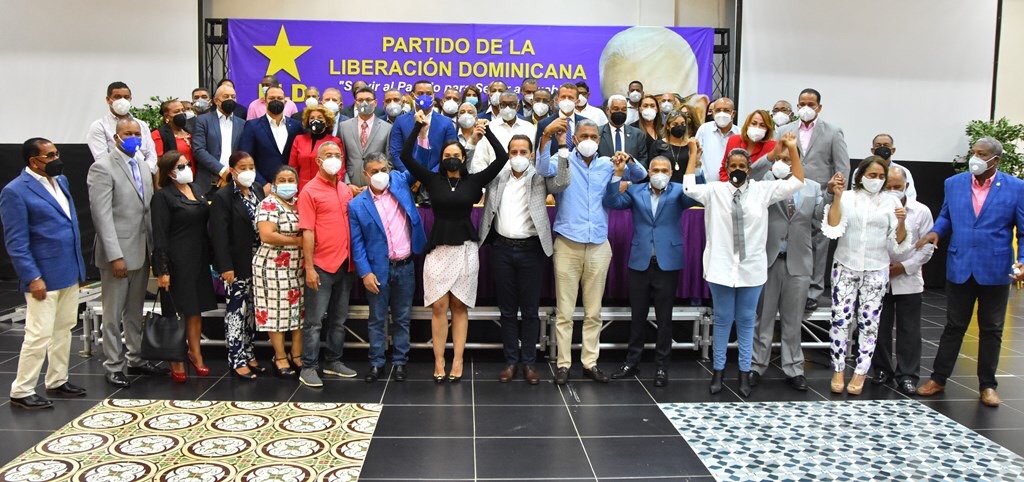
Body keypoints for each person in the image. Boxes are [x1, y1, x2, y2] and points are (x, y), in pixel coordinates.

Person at [683, 136, 804, 398]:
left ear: (749, 169)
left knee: (747, 321)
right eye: (733, 166)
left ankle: (744, 373)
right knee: (723, 320)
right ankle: (718, 371)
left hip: (751, 268)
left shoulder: (762, 191)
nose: (737, 170)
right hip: (720, 266)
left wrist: (792, 149)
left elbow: (796, 181)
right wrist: (693, 155)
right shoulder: (714, 191)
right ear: (726, 168)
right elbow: (689, 188)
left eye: (742, 166)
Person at [395, 113, 510, 383]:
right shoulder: (432, 179)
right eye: (447, 154)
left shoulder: (474, 181)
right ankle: (439, 360)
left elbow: (502, 158)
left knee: (459, 305)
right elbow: (406, 156)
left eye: (456, 154)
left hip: (466, 249)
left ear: (463, 157)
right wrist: (418, 126)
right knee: (438, 306)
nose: (451, 158)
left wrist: (487, 133)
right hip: (439, 248)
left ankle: (458, 359)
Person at [537, 118, 648, 385]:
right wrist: (546, 139)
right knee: (565, 312)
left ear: (599, 140)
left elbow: (641, 176)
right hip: (568, 243)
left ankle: (590, 362)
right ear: (575, 139)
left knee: (593, 311)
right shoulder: (562, 159)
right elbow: (540, 168)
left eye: (594, 137)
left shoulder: (608, 164)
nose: (589, 140)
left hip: (599, 244)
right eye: (584, 136)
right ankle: (563, 364)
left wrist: (629, 160)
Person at [916, 137, 1024, 407]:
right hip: (960, 264)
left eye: (982, 154)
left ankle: (987, 385)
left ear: (995, 160)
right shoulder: (953, 183)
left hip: (996, 269)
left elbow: (1022, 231)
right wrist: (935, 231)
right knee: (954, 326)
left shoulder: (1016, 187)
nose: (975, 158)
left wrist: (1022, 260)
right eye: (973, 152)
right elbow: (946, 215)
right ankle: (938, 379)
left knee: (992, 329)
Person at [1, 138, 88, 409]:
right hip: (42, 275)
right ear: (33, 161)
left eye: (56, 153)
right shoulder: (15, 191)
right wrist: (32, 277)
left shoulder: (61, 181)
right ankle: (22, 390)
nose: (56, 159)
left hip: (68, 269)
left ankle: (57, 379)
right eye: (50, 155)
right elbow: (16, 241)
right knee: (38, 334)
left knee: (64, 328)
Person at [480, 134, 570, 384]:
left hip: (532, 250)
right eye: (513, 152)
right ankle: (511, 362)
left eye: (523, 152)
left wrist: (563, 146)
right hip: (502, 249)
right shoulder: (497, 176)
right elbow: (473, 175)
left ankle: (529, 363)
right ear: (508, 154)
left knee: (530, 311)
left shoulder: (540, 176)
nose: (518, 157)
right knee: (507, 310)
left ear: (531, 154)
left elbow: (562, 182)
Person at [605, 155, 700, 387]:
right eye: (655, 170)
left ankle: (661, 367)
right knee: (637, 316)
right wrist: (618, 174)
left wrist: (693, 160)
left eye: (664, 170)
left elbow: (694, 195)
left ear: (671, 173)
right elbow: (611, 201)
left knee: (664, 318)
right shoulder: (636, 191)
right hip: (640, 261)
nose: (659, 174)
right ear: (648, 171)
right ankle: (632, 362)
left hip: (667, 263)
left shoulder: (679, 191)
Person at [88, 118, 168, 388]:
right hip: (118, 253)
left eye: (137, 133)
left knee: (134, 311)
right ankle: (113, 365)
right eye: (128, 133)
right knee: (112, 314)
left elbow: (146, 210)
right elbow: (101, 216)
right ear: (116, 137)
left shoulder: (143, 165)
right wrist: (115, 255)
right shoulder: (102, 167)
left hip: (142, 249)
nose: (133, 137)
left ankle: (135, 358)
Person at [822, 157, 909, 395]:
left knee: (869, 322)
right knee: (840, 318)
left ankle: (861, 372)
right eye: (872, 175)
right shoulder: (847, 197)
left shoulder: (891, 201)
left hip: (876, 267)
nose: (877, 180)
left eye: (881, 177)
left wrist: (902, 222)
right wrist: (837, 197)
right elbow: (832, 227)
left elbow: (899, 241)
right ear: (860, 176)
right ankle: (838, 369)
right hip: (845, 264)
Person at [348, 153, 425, 383]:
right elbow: (357, 243)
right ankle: (376, 363)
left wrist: (422, 137)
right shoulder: (356, 205)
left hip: (405, 266)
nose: (380, 175)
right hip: (377, 270)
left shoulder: (399, 182)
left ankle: (400, 362)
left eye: (384, 170)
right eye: (375, 171)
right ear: (365, 174)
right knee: (376, 319)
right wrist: (365, 273)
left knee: (402, 318)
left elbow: (418, 163)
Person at [750, 148, 822, 391]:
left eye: (788, 159)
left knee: (793, 319)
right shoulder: (765, 182)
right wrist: (770, 158)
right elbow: (751, 173)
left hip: (799, 261)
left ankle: (794, 368)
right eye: (780, 159)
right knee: (764, 317)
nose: (783, 163)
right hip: (769, 259)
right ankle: (756, 365)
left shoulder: (813, 187)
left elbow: (820, 218)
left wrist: (833, 196)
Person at [776, 88, 850, 311]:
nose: (806, 108)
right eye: (802, 104)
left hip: (820, 193)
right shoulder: (784, 130)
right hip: (789, 192)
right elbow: (777, 160)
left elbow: (842, 166)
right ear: (797, 106)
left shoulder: (833, 131)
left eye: (811, 104)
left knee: (818, 243)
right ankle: (784, 287)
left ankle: (813, 291)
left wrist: (836, 196)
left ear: (819, 107)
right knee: (787, 239)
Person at [151, 151, 218, 382]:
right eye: (181, 166)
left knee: (195, 309)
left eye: (187, 164)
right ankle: (176, 357)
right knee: (176, 311)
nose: (187, 168)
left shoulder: (196, 190)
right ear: (169, 172)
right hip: (176, 261)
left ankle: (195, 353)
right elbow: (159, 235)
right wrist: (162, 270)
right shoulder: (163, 197)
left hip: (198, 258)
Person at [296, 142, 358, 387]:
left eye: (337, 155)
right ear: (318, 161)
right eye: (328, 155)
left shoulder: (344, 189)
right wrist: (309, 267)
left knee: (338, 319)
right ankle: (308, 367)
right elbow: (307, 231)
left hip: (345, 264)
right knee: (314, 322)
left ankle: (334, 361)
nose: (334, 159)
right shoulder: (309, 191)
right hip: (321, 266)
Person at [871, 166, 934, 395]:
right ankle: (881, 369)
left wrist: (903, 267)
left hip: (909, 279)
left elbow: (927, 247)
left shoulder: (921, 211)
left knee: (909, 330)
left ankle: (907, 375)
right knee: (879, 328)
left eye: (897, 187)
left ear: (906, 186)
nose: (892, 191)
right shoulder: (875, 208)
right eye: (888, 187)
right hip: (878, 276)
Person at [209, 151, 267, 380]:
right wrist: (226, 266)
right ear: (232, 171)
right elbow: (219, 235)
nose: (248, 172)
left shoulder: (257, 190)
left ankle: (249, 352)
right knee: (236, 311)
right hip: (236, 263)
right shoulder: (223, 196)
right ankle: (236, 358)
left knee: (251, 310)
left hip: (257, 262)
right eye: (243, 168)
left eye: (251, 167)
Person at [252, 165, 305, 377]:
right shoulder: (268, 204)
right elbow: (267, 235)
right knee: (275, 313)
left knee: (298, 312)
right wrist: (297, 242)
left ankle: (297, 354)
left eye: (291, 180)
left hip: (296, 267)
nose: (287, 184)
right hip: (272, 267)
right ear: (274, 184)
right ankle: (280, 356)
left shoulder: (299, 203)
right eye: (282, 180)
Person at [239, 86, 305, 186]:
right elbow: (245, 157)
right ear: (265, 102)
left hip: (291, 185)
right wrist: (262, 184)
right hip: (264, 186)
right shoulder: (252, 126)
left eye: (279, 98)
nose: (276, 101)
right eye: (272, 98)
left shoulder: (296, 126)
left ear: (285, 102)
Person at [87, 81, 157, 170]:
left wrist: (145, 171)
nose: (122, 101)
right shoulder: (99, 126)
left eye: (126, 97)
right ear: (108, 100)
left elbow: (151, 155)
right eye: (117, 97)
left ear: (130, 99)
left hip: (144, 172)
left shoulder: (141, 124)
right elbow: (101, 159)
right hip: (116, 173)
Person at [389, 81, 457, 171]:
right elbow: (396, 153)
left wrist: (430, 176)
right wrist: (410, 174)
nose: (425, 97)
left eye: (429, 94)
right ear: (412, 96)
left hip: (437, 176)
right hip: (408, 176)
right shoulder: (400, 121)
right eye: (420, 93)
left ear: (433, 96)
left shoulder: (446, 122)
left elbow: (451, 152)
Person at [193, 84, 245, 197]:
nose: (230, 99)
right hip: (209, 183)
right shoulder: (203, 121)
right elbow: (199, 150)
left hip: (234, 182)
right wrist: (223, 172)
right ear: (216, 100)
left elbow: (243, 153)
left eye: (233, 97)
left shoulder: (242, 124)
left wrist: (231, 175)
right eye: (226, 96)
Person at [470, 91, 537, 173]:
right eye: (503, 105)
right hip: (494, 178)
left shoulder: (529, 128)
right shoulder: (489, 128)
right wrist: (485, 179)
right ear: (499, 107)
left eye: (511, 105)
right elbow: (479, 159)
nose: (507, 108)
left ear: (518, 107)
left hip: (525, 178)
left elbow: (534, 158)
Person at [340, 87, 393, 188]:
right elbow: (341, 159)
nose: (364, 103)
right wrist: (347, 183)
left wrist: (377, 184)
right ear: (355, 103)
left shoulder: (387, 128)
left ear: (375, 102)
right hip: (351, 185)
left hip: (377, 185)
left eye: (368, 100)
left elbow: (389, 161)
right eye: (360, 100)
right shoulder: (343, 127)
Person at [717, 110, 783, 182]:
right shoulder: (734, 140)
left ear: (768, 129)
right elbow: (724, 168)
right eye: (754, 123)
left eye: (762, 125)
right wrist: (730, 185)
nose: (757, 128)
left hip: (759, 187)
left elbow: (772, 173)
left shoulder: (772, 146)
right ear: (747, 124)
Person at [289, 105, 342, 192]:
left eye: (320, 117)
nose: (315, 120)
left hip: (326, 188)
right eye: (312, 118)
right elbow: (292, 167)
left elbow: (340, 170)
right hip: (302, 188)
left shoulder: (335, 142)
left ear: (327, 121)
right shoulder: (299, 139)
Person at [852, 134, 917, 200]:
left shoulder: (903, 171)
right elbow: (855, 193)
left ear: (893, 150)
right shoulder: (861, 170)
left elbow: (910, 197)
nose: (882, 148)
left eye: (886, 145)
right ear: (872, 150)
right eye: (878, 145)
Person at [536, 83, 590, 156]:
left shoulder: (586, 123)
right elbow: (539, 154)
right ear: (557, 100)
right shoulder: (544, 124)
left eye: (570, 97)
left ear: (577, 102)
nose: (566, 100)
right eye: (563, 97)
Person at [694, 97, 739, 181]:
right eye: (718, 110)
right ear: (713, 112)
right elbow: (696, 155)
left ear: (733, 113)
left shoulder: (739, 133)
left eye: (726, 110)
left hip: (733, 184)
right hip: (707, 185)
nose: (722, 113)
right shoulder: (704, 129)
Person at [597, 95, 649, 166]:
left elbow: (643, 161)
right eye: (616, 109)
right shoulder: (598, 132)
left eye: (624, 110)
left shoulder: (637, 134)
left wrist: (632, 164)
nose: (620, 112)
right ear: (607, 110)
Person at [152, 100, 195, 176]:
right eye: (177, 111)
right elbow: (158, 163)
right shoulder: (158, 134)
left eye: (183, 110)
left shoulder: (191, 131)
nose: (181, 113)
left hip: (197, 179)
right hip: (174, 178)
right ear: (167, 116)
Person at [650, 111, 695, 183]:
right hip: (664, 184)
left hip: (686, 184)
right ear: (668, 126)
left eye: (682, 124)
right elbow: (652, 169)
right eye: (675, 124)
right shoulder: (658, 145)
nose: (679, 127)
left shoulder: (690, 145)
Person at [630, 95, 663, 160]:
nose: (649, 108)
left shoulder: (663, 128)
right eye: (645, 106)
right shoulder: (632, 128)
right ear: (640, 109)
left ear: (657, 109)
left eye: (652, 106)